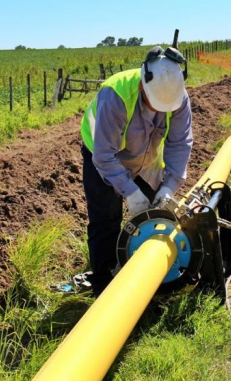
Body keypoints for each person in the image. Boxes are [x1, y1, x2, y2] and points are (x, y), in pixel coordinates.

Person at [80, 46, 193, 296]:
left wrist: (169, 186)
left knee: (153, 214)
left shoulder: (177, 97)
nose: (159, 110)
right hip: (103, 156)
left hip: (146, 158)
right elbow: (104, 155)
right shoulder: (116, 94)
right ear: (143, 84)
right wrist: (130, 191)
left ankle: (146, 277)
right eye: (155, 104)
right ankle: (103, 282)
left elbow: (179, 143)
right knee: (106, 219)